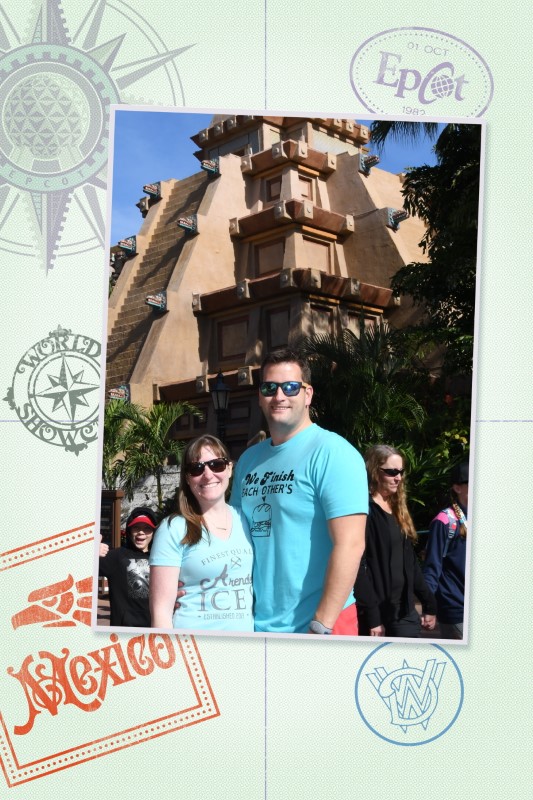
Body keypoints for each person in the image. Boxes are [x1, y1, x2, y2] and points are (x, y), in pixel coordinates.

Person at [230, 348, 368, 635]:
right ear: (260, 396)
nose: (279, 396)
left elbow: (351, 544)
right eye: (269, 388)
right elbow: (232, 538)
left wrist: (321, 625)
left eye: (290, 387)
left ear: (308, 394)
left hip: (320, 626)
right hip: (257, 625)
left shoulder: (333, 453)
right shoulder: (248, 461)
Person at [149, 435, 254, 631]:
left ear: (229, 469)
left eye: (216, 465)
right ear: (187, 479)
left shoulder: (246, 519)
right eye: (197, 468)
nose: (207, 474)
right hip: (192, 643)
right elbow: (160, 613)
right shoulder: (173, 529)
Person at [354, 445, 437, 637]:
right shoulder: (365, 510)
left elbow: (410, 562)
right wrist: (373, 616)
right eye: (391, 472)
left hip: (404, 610)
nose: (398, 477)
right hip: (379, 613)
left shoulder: (398, 508)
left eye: (400, 472)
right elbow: (357, 565)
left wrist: (429, 602)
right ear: (375, 472)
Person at [423, 461, 468, 639]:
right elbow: (432, 567)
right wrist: (429, 608)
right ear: (457, 488)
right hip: (455, 608)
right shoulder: (445, 521)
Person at [99, 506, 157, 627]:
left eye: (147, 528)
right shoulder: (116, 557)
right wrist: (90, 552)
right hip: (123, 630)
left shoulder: (162, 559)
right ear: (129, 531)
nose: (141, 532)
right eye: (136, 527)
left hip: (155, 628)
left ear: (153, 532)